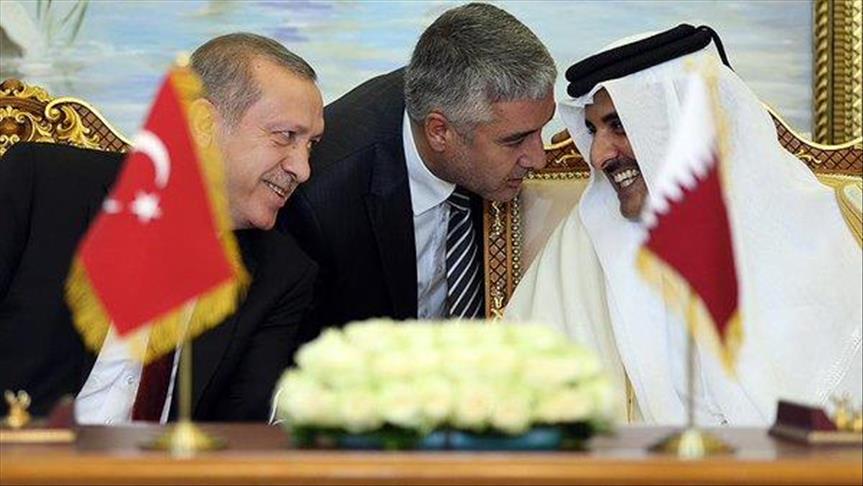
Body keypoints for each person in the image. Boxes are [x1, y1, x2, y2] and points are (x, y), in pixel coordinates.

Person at [506, 25, 863, 426]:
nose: (599, 155)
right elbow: (516, 390)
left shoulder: (842, 232)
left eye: (619, 125)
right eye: (592, 131)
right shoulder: (587, 239)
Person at [0, 32, 324, 422]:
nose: (302, 169)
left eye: (311, 145)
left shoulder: (280, 275)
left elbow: (235, 433)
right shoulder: (43, 187)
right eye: (286, 136)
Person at [279, 3, 556, 338]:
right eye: (515, 141)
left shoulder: (466, 115)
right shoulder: (322, 200)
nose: (538, 159)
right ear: (440, 132)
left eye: (541, 130)